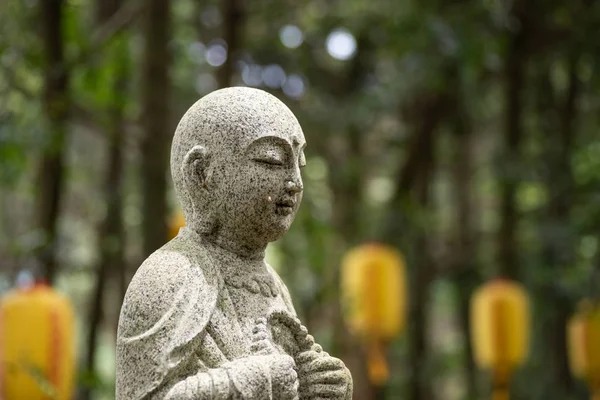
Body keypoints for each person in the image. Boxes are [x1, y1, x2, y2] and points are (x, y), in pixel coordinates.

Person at [116, 87, 352, 399]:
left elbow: (287, 378)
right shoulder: (171, 274)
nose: (295, 182)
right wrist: (261, 379)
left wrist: (320, 384)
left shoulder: (272, 284)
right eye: (272, 160)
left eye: (299, 163)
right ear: (202, 172)